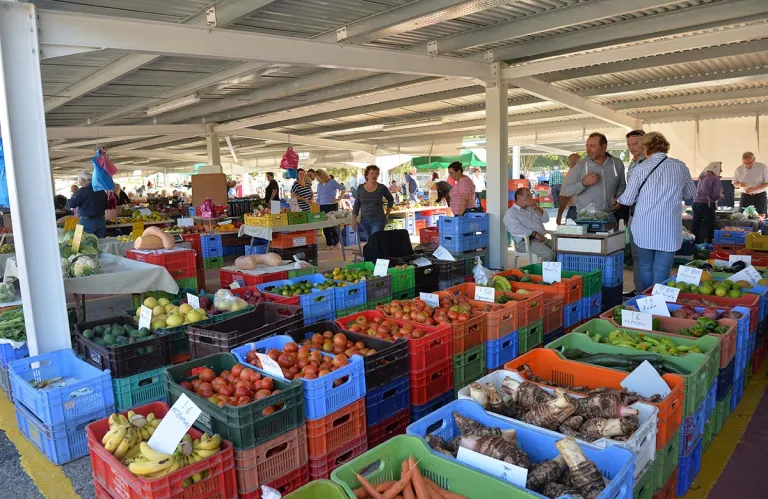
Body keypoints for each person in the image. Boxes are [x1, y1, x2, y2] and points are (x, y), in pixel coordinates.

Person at [617, 132, 695, 292]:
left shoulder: (640, 169)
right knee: (662, 269)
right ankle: (659, 302)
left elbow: (628, 200)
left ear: (646, 147)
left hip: (644, 226)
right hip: (669, 228)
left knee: (645, 266)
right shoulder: (680, 166)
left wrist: (618, 200)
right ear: (664, 146)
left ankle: (646, 299)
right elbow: (689, 193)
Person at [562, 132, 626, 217]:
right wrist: (583, 183)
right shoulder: (580, 166)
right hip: (585, 218)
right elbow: (566, 191)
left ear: (603, 147)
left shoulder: (617, 164)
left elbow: (622, 185)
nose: (588, 150)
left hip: (609, 216)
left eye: (592, 146)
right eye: (587, 146)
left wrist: (619, 196)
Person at [624, 129, 646, 296]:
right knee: (637, 255)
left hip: (647, 215)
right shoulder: (632, 163)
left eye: (635, 144)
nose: (632, 148)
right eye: (629, 145)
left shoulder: (650, 162)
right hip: (633, 213)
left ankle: (649, 292)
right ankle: (639, 290)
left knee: (648, 257)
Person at [504, 187, 554, 262]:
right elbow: (516, 229)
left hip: (541, 238)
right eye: (527, 196)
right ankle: (546, 273)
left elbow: (545, 219)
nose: (530, 198)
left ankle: (557, 271)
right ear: (518, 197)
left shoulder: (531, 208)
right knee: (548, 254)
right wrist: (534, 233)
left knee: (561, 248)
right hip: (526, 242)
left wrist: (535, 207)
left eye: (530, 196)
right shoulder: (511, 213)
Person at [353, 165, 394, 239]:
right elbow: (357, 204)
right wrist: (354, 220)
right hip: (364, 219)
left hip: (378, 219)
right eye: (372, 173)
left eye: (376, 173)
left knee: (375, 240)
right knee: (370, 242)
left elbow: (390, 199)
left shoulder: (381, 187)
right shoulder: (360, 188)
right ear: (367, 175)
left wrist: (387, 213)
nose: (374, 175)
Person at [66, 170, 108, 238]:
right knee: (101, 244)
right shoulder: (102, 191)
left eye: (80, 181)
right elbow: (106, 206)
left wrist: (68, 199)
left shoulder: (82, 190)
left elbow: (72, 204)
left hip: (85, 222)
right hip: (101, 222)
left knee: (77, 244)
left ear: (83, 180)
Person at [692, 162, 724, 244]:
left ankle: (695, 244)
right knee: (711, 226)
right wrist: (721, 196)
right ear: (715, 168)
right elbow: (715, 195)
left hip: (696, 204)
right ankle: (711, 245)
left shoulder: (702, 177)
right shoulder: (714, 179)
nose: (721, 170)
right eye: (720, 169)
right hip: (706, 204)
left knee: (696, 225)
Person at [316, 169, 346, 249]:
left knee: (333, 225)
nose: (317, 180)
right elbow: (319, 196)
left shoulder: (332, 182)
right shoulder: (319, 185)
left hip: (332, 206)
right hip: (322, 206)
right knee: (325, 225)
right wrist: (316, 204)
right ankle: (329, 243)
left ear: (322, 176)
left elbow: (343, 188)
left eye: (318, 178)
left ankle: (337, 242)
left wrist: (339, 198)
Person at [556, 153, 581, 225]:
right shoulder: (587, 173)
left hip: (575, 210)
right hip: (588, 209)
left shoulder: (571, 174)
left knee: (574, 234)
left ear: (569, 164)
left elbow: (564, 197)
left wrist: (559, 215)